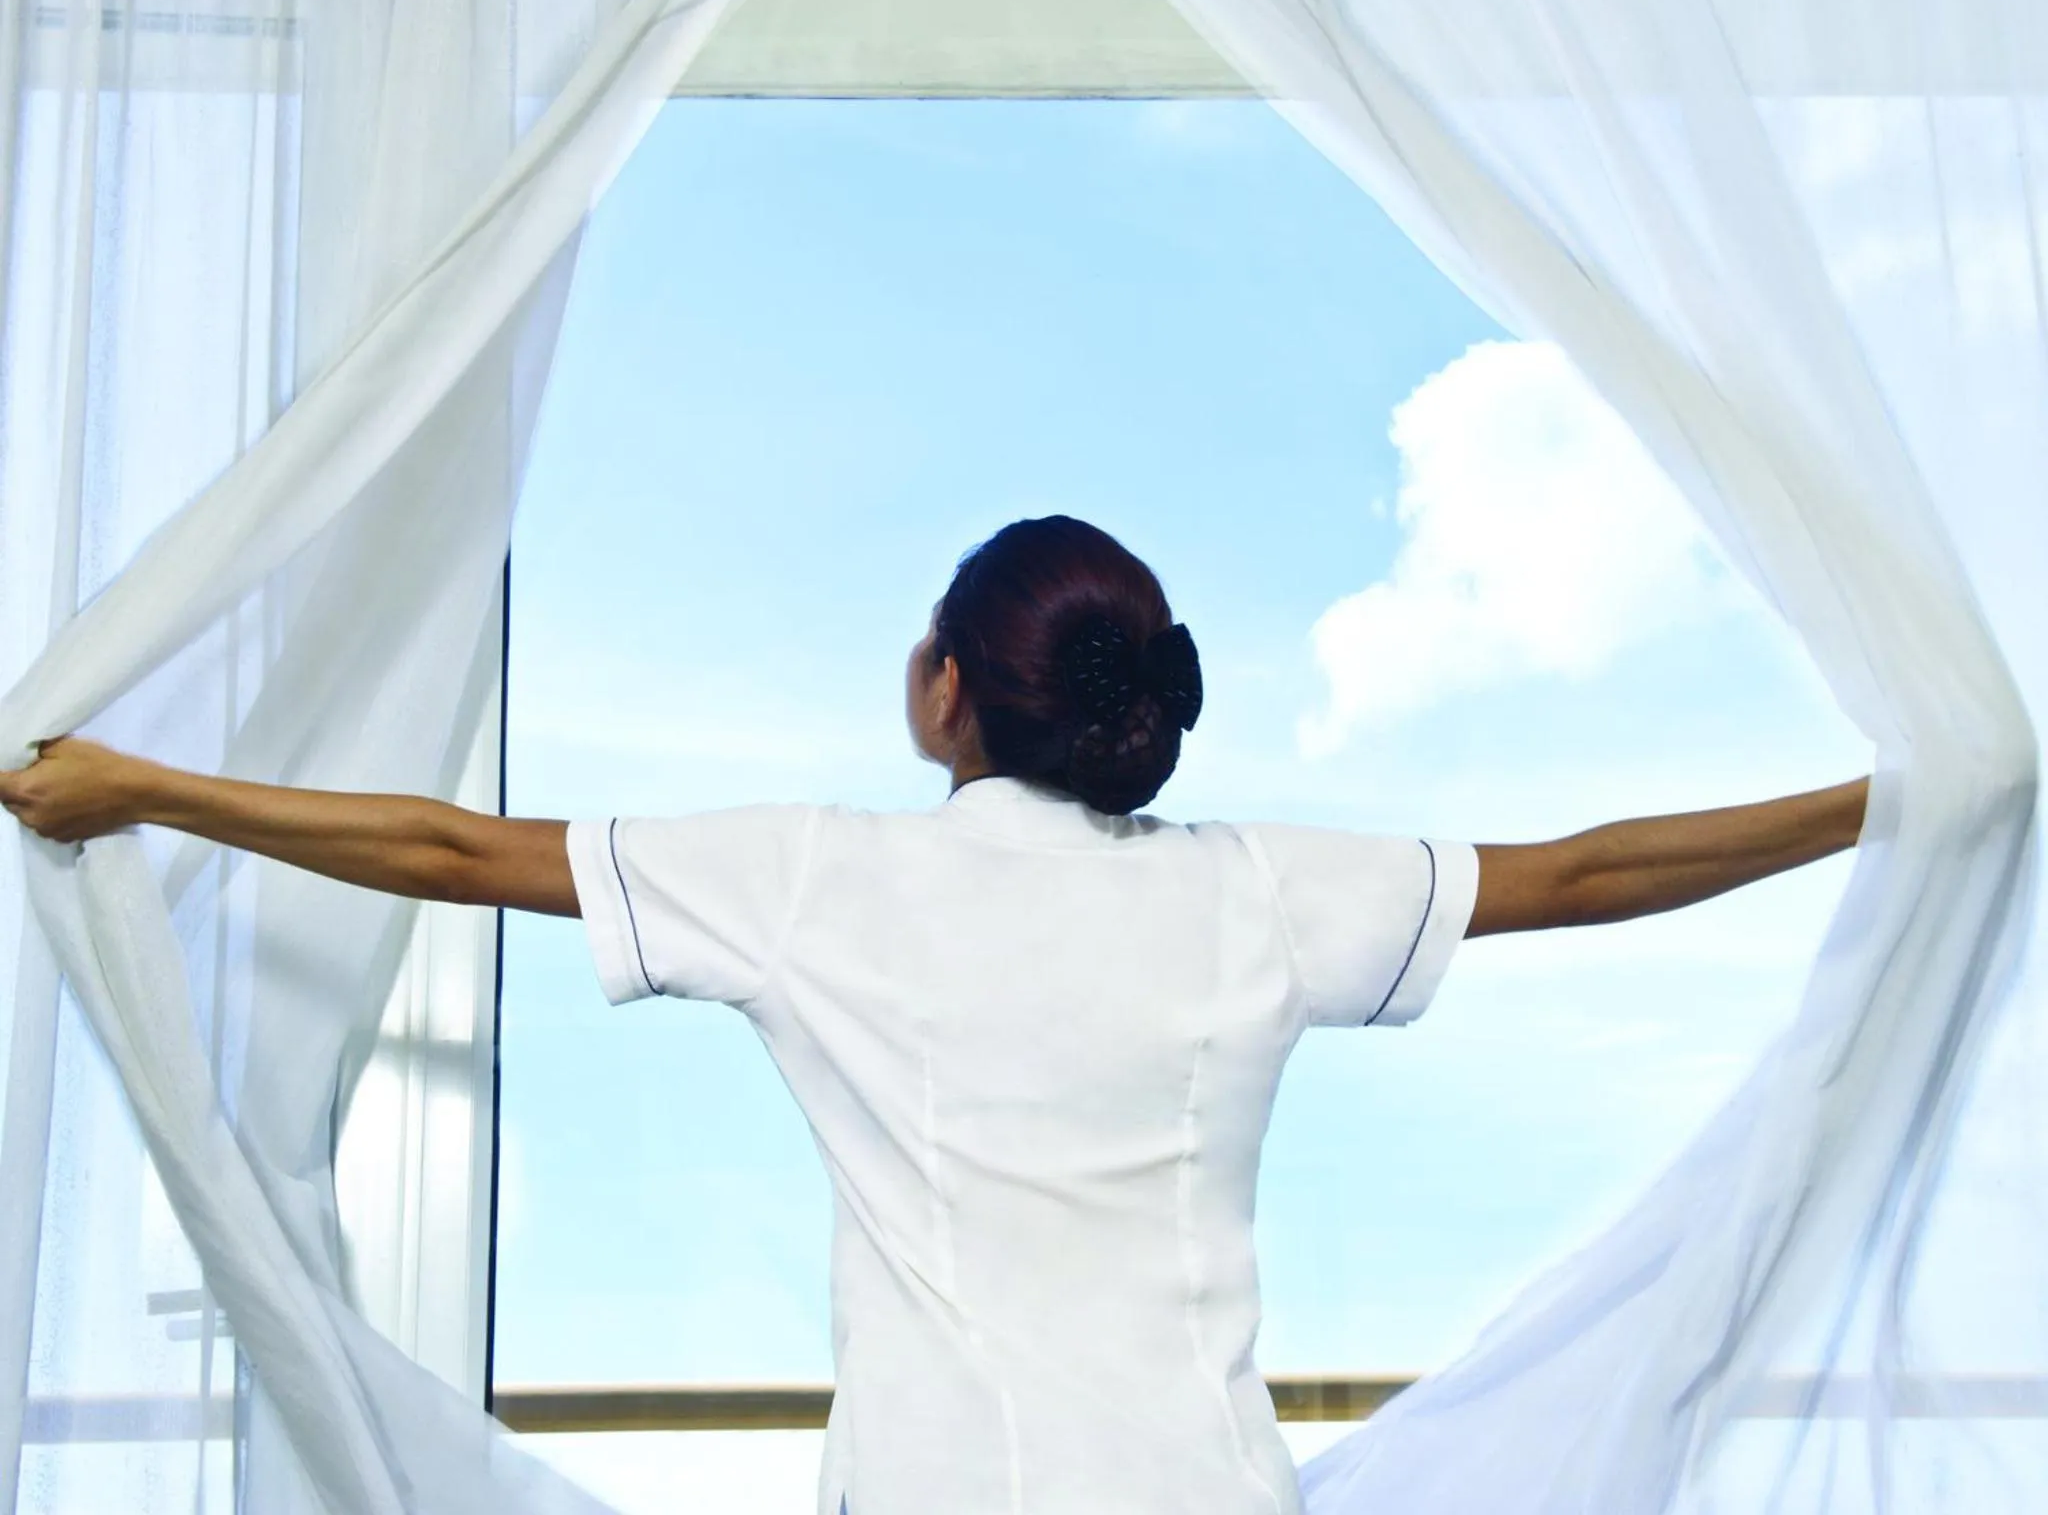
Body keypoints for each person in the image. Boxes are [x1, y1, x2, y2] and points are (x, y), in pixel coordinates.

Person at [0, 514, 1867, 1515]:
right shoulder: (1257, 887)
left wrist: (149, 789)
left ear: (943, 693)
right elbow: (1584, 872)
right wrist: (1880, 802)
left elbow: (449, 844)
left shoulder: (821, 880)